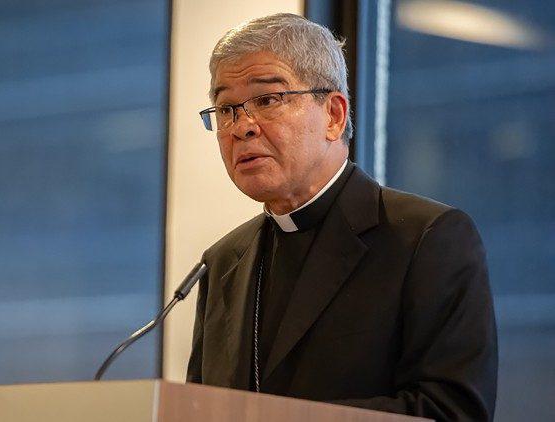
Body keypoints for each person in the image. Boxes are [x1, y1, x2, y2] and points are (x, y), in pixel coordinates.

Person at [186, 13, 497, 421]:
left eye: (266, 100)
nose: (241, 127)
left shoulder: (427, 238)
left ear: (333, 115)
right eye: (226, 108)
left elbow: (452, 411)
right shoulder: (223, 261)